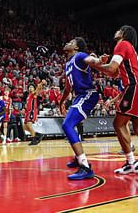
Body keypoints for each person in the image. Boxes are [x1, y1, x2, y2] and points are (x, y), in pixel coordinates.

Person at [86, 26, 138, 174]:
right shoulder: (129, 47)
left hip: (135, 87)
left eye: (119, 29)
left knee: (118, 123)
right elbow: (114, 74)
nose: (116, 31)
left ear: (123, 33)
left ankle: (131, 162)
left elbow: (111, 68)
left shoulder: (122, 44)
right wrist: (100, 64)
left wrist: (94, 64)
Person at [58, 37, 99, 180]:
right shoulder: (68, 63)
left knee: (67, 125)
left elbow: (92, 61)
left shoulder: (80, 55)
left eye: (71, 42)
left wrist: (97, 60)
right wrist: (62, 101)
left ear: (76, 48)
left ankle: (85, 167)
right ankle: (77, 157)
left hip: (88, 94)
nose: (67, 43)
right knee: (69, 125)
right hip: (79, 96)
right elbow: (68, 87)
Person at [24, 81, 46, 145]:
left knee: (29, 124)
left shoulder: (34, 94)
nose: (30, 88)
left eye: (32, 87)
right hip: (28, 112)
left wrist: (41, 84)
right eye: (29, 87)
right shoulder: (28, 96)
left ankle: (34, 139)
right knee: (25, 127)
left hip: (32, 111)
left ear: (34, 89)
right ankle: (38, 134)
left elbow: (38, 90)